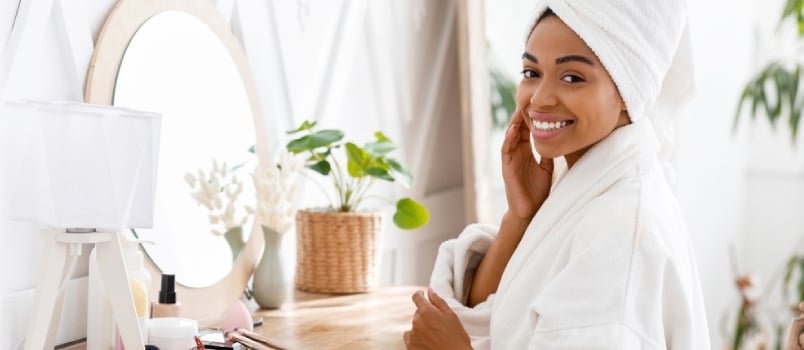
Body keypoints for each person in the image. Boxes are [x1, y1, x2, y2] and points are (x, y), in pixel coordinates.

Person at [403, 1, 711, 349]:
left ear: (629, 90)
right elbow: (491, 309)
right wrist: (521, 216)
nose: (539, 99)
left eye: (572, 77)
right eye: (531, 72)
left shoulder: (620, 233)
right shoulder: (584, 185)